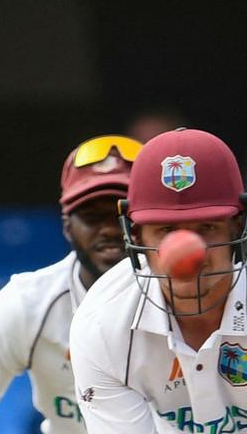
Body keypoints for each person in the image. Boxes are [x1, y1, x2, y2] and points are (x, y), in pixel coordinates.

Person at [0, 134, 142, 434]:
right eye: (92, 217)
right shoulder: (28, 304)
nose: (109, 230)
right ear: (67, 226)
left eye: (124, 216)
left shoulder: (195, 297)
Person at [69, 128, 247, 433]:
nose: (188, 252)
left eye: (207, 226)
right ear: (135, 235)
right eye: (165, 230)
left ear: (237, 226)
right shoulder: (103, 324)